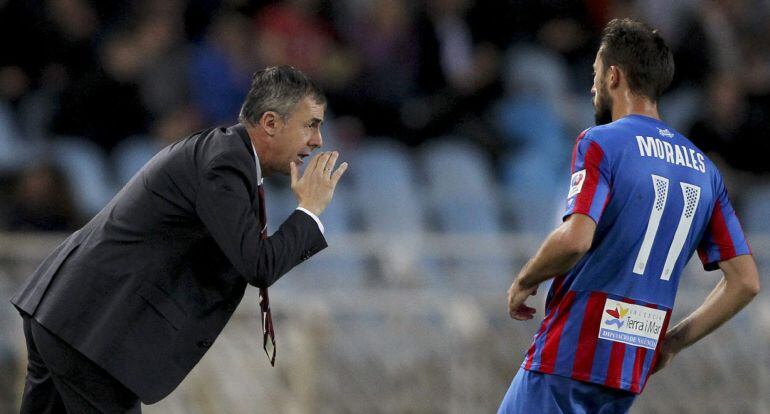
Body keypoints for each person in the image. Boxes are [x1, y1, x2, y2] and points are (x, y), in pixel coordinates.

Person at [11, 65, 348, 412]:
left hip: (66, 315)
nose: (318, 140)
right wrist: (309, 210)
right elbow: (258, 264)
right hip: (90, 331)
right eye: (311, 124)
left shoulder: (228, 156)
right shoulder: (225, 163)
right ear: (271, 123)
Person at [498, 19, 760, 414]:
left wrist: (525, 278)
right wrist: (671, 342)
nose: (592, 86)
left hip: (570, 354)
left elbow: (575, 239)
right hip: (628, 370)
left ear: (614, 75)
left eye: (595, 74)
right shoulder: (704, 170)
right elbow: (746, 281)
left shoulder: (601, 142)